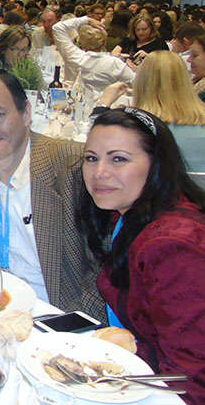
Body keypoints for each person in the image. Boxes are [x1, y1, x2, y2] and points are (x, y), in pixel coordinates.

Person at [0, 68, 106, 317]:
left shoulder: (74, 166)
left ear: (26, 113)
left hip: (64, 318)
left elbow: (104, 269)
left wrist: (71, 328)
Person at [78, 108, 205, 403]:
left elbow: (192, 378)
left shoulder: (173, 245)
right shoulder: (129, 215)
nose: (99, 173)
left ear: (156, 164)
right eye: (91, 158)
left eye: (118, 159)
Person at [95, 51, 205, 173]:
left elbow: (96, 147)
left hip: (153, 190)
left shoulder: (135, 126)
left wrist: (103, 105)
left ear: (142, 82)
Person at [52, 15, 135, 91]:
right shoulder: (115, 63)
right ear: (104, 42)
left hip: (83, 104)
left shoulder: (78, 58)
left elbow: (57, 28)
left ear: (81, 42)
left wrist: (87, 20)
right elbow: (136, 83)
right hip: (109, 104)